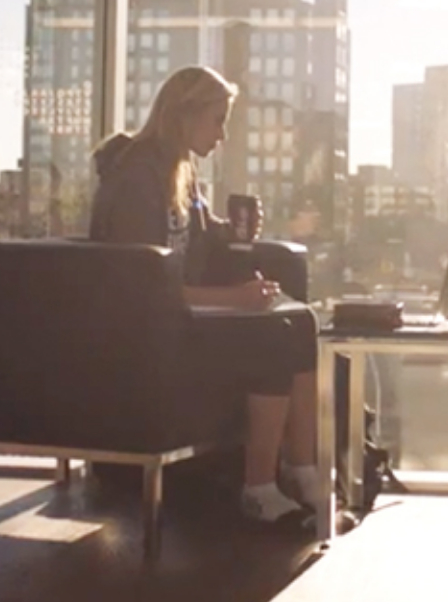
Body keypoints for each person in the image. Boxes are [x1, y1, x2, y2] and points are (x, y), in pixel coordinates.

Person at [91, 65, 323, 530]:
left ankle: (303, 471)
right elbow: (140, 288)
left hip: (180, 315)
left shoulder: (180, 168)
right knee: (272, 337)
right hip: (148, 330)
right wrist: (234, 299)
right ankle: (258, 489)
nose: (222, 135)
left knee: (301, 325)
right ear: (184, 115)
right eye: (217, 120)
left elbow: (195, 231)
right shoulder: (137, 178)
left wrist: (236, 230)